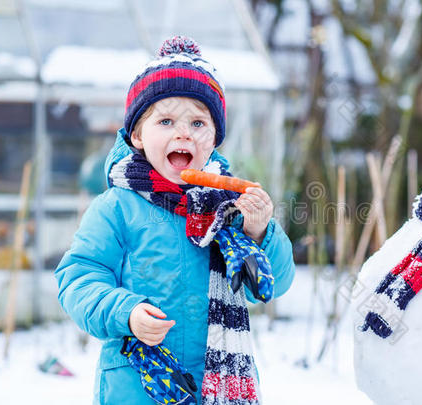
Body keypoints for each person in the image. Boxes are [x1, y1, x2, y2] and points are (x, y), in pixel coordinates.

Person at [55, 36, 295, 405]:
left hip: (218, 382)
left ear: (214, 139)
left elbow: (271, 287)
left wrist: (259, 232)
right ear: (137, 135)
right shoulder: (117, 207)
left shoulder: (229, 211)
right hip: (138, 385)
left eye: (198, 122)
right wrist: (127, 312)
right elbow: (78, 279)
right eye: (165, 120)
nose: (183, 132)